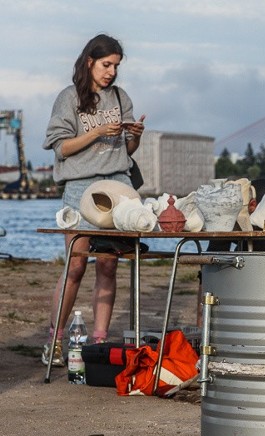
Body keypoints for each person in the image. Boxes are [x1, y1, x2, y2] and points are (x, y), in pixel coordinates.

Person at [41, 34, 146, 365]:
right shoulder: (68, 98)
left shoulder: (120, 97)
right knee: (75, 264)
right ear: (89, 62)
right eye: (106, 65)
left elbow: (125, 153)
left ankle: (98, 345)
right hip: (78, 188)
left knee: (108, 263)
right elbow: (62, 147)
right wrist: (97, 132)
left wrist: (135, 139)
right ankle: (55, 342)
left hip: (117, 186)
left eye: (116, 66)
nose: (111, 72)